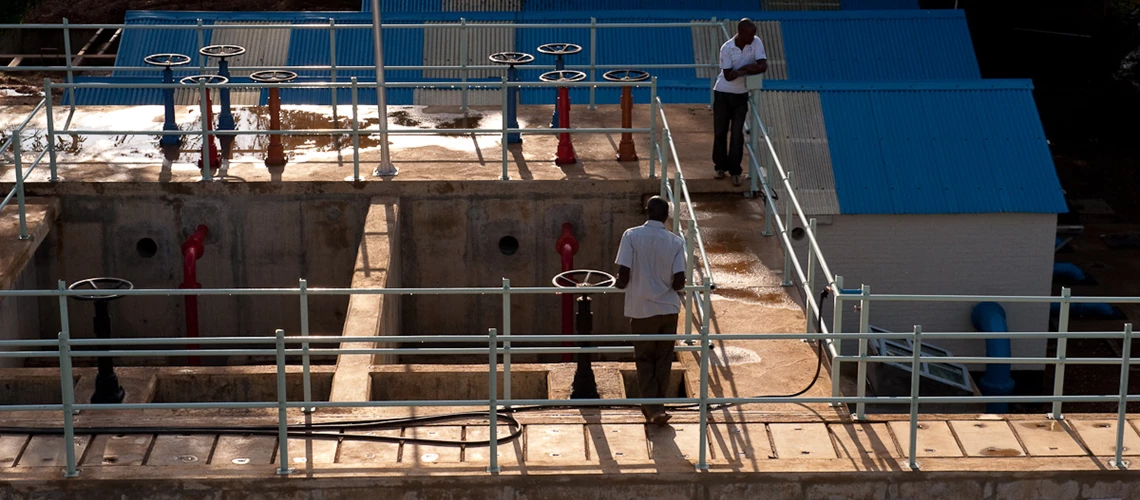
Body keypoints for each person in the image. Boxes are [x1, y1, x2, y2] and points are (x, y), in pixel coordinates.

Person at [614, 196, 686, 425]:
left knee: (644, 359)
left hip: (642, 309)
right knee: (663, 360)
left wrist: (619, 283)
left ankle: (653, 409)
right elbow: (679, 283)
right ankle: (658, 406)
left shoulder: (631, 235)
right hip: (668, 310)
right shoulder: (676, 242)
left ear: (647, 212)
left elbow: (623, 277)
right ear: (666, 216)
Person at [713, 18, 768, 187]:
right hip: (723, 93)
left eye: (754, 34)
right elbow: (729, 76)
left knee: (737, 134)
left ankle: (735, 170)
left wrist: (743, 71)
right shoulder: (727, 48)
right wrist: (749, 69)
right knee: (720, 131)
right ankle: (720, 166)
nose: (753, 37)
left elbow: (763, 65)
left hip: (741, 95)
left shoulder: (756, 42)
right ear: (740, 33)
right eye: (749, 34)